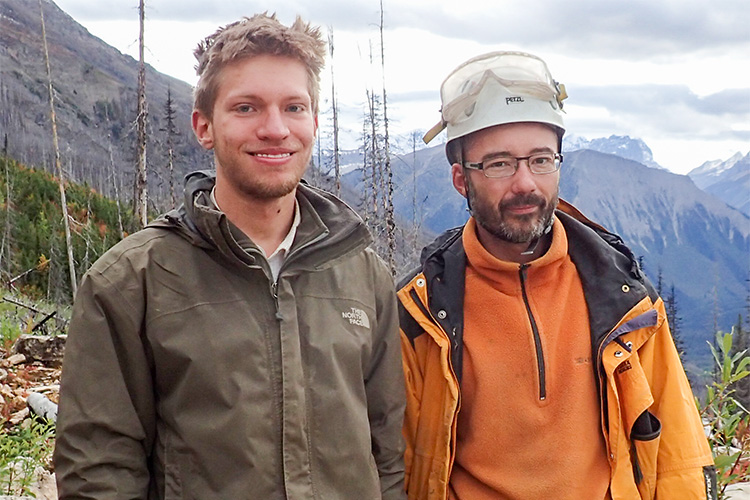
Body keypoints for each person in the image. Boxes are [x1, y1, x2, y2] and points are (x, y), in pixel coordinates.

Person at [54, 13, 406, 500]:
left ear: (314, 123)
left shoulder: (364, 275)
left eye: (294, 107)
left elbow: (387, 449)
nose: (275, 129)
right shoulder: (130, 284)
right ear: (205, 126)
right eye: (246, 108)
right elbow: (98, 469)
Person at [398, 51, 716, 500]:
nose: (525, 182)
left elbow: (678, 454)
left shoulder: (622, 295)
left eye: (541, 160)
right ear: (460, 179)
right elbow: (400, 463)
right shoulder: (422, 312)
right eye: (499, 163)